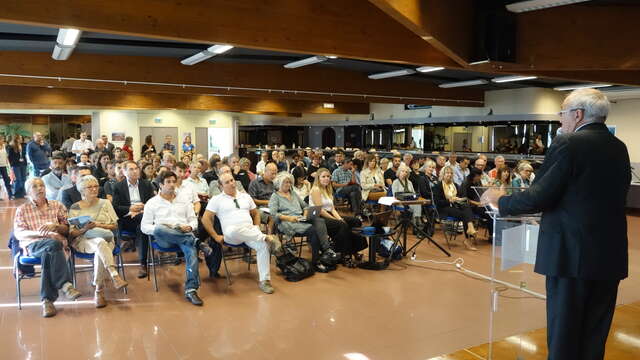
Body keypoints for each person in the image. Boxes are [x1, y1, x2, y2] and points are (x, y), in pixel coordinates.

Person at [484, 88, 630, 360]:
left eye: (562, 114)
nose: (560, 120)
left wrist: (500, 201)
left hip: (570, 256)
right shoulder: (618, 147)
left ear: (577, 114)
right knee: (594, 336)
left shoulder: (568, 144)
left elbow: (539, 196)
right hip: (608, 257)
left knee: (565, 334)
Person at [201, 172, 282, 294]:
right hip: (232, 235)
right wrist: (215, 236)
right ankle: (267, 237)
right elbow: (205, 219)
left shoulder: (245, 196)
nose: (232, 184)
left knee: (263, 246)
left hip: (250, 232)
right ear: (221, 186)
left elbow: (255, 213)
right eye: (227, 182)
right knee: (233, 230)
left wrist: (256, 227)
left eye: (232, 180)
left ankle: (265, 281)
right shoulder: (216, 199)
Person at [13, 177, 82, 317]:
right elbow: (19, 233)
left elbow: (68, 229)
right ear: (28, 192)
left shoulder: (57, 205)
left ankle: (47, 301)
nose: (40, 188)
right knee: (53, 244)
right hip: (34, 245)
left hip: (56, 246)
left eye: (42, 185)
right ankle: (65, 284)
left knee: (49, 252)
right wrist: (44, 233)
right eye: (35, 186)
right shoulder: (22, 210)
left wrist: (56, 227)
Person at [141, 171, 209, 305]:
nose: (172, 185)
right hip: (164, 239)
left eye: (174, 181)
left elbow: (193, 221)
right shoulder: (152, 203)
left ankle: (191, 290)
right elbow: (144, 227)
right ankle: (196, 242)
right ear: (160, 185)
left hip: (184, 235)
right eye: (168, 182)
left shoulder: (184, 199)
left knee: (190, 251)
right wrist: (168, 228)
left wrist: (189, 227)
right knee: (160, 228)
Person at [68, 175, 128, 308]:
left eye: (95, 186)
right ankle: (110, 278)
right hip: (84, 240)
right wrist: (85, 228)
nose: (94, 189)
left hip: (106, 238)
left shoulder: (105, 203)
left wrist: (98, 225)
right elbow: (72, 233)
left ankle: (99, 290)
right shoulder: (75, 207)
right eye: (90, 187)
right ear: (82, 190)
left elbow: (115, 226)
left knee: (101, 243)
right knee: (100, 245)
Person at [269, 172, 336, 273]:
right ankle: (316, 261)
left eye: (289, 182)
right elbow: (273, 214)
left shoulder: (293, 193)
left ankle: (326, 250)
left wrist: (305, 214)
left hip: (299, 218)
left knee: (319, 220)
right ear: (279, 183)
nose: (288, 185)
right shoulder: (275, 196)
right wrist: (289, 218)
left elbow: (305, 206)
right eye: (285, 182)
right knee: (313, 231)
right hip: (287, 222)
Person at [310, 168, 367, 267]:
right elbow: (320, 210)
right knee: (342, 225)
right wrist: (337, 220)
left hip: (329, 214)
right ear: (318, 178)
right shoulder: (316, 189)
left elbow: (332, 209)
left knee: (355, 221)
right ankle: (345, 255)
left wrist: (339, 218)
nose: (326, 179)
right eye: (323, 176)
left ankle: (354, 250)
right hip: (319, 217)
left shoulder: (327, 189)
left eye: (328, 176)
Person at [112, 161, 156, 278]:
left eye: (136, 168)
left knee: (142, 226)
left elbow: (153, 202)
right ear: (124, 172)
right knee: (144, 224)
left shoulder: (146, 184)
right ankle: (143, 263)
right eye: (131, 169)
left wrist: (144, 207)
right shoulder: (118, 186)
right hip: (127, 219)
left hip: (143, 215)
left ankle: (143, 263)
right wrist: (130, 208)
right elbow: (115, 207)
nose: (135, 171)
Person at [433, 166, 477, 250]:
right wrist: (450, 200)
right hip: (444, 208)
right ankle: (468, 235)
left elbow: (460, 197)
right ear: (443, 174)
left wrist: (459, 199)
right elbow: (437, 202)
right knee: (465, 214)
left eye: (451, 173)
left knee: (466, 207)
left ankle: (470, 229)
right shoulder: (438, 186)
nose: (449, 175)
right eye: (447, 173)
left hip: (456, 206)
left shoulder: (455, 185)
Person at [8, 134, 28, 198]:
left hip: (23, 164)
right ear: (16, 139)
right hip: (16, 165)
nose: (21, 139)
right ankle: (16, 194)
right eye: (20, 138)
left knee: (24, 179)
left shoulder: (23, 145)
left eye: (21, 138)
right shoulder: (11, 146)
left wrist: (24, 161)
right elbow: (10, 157)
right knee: (18, 179)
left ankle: (22, 193)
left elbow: (24, 154)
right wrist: (12, 164)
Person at [0, 135, 12, 200]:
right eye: (1, 139)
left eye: (3, 139)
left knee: (7, 180)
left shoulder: (4, 146)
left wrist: (8, 165)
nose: (3, 141)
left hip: (4, 166)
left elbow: (6, 156)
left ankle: (10, 195)